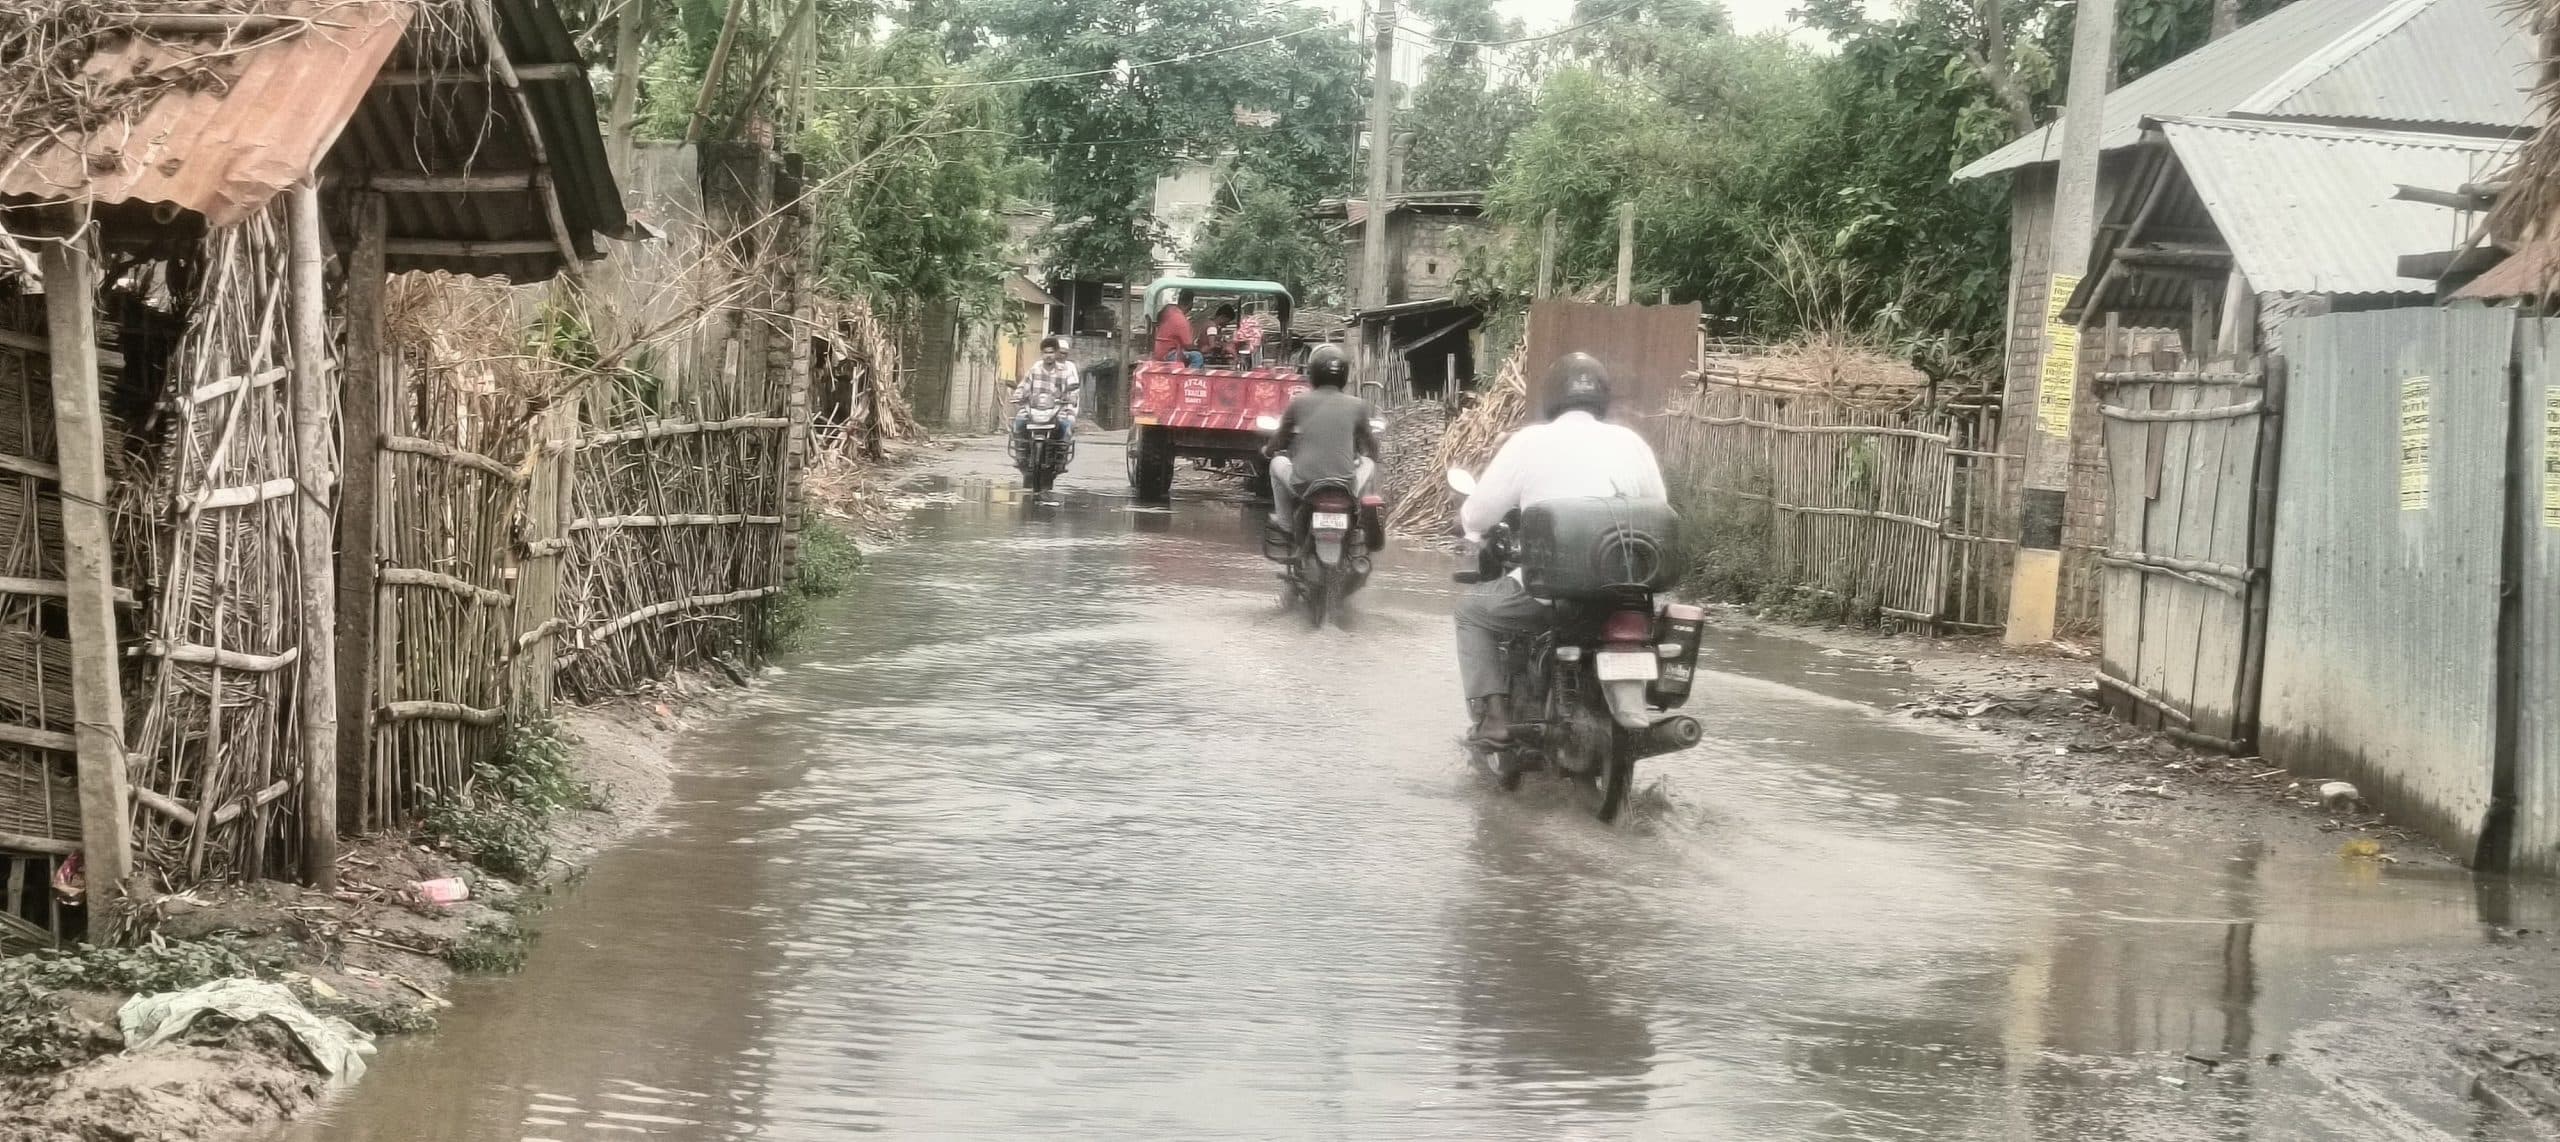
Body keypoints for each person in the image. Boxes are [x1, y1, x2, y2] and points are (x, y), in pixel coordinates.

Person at [1453, 352, 1668, 743]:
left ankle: (1494, 719)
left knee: (1471, 612)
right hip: (1625, 590)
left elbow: (1479, 513)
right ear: (1602, 396)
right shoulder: (1631, 443)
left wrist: (1469, 527)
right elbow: (1658, 508)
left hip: (1550, 595)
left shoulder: (1529, 441)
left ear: (1551, 397)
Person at [1263, 344, 1379, 529]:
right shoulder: (1359, 405)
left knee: (1276, 463)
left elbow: (1280, 438)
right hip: (1346, 485)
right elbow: (1370, 444)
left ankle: (1285, 523)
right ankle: (1362, 515)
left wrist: (1268, 451)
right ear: (1344, 375)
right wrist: (1372, 456)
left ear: (1313, 373)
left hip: (1304, 485)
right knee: (1370, 465)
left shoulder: (1299, 403)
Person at [1012, 335, 1081, 447]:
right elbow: (1024, 385)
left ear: (1057, 353)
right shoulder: (1035, 369)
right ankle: (1021, 453)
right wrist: (1018, 395)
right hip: (1034, 410)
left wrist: (1072, 396)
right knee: (1018, 422)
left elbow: (1073, 387)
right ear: (1041, 354)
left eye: (1051, 352)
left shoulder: (1065, 371)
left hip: (1057, 410)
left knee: (1067, 425)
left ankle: (1061, 453)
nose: (1048, 356)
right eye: (1045, 353)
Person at [1153, 290, 1202, 367]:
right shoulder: (1181, 320)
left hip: (1159, 349)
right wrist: (1200, 350)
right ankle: (1189, 377)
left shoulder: (1168, 309)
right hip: (1169, 354)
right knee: (1197, 356)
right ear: (1190, 304)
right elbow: (1188, 345)